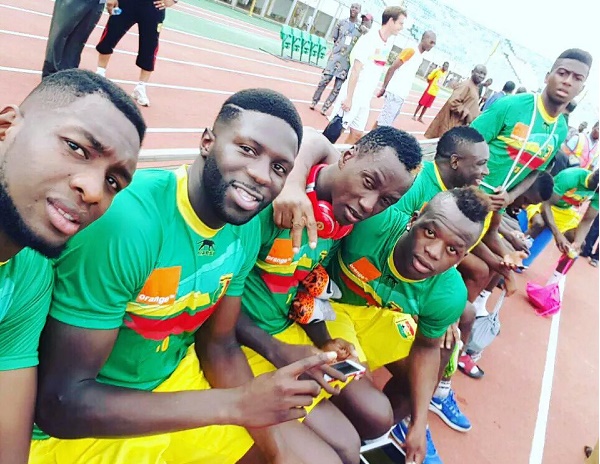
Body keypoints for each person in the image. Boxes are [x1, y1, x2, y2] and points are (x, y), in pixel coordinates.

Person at [30, 89, 344, 464]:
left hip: (172, 379)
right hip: (85, 420)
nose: (261, 175)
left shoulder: (243, 226)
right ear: (207, 142)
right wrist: (237, 404)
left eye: (279, 168)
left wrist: (276, 448)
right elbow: (61, 404)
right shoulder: (131, 224)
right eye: (247, 149)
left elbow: (219, 344)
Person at [237, 127, 422, 462]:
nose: (368, 205)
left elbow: (306, 286)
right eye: (369, 182)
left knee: (352, 444)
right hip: (243, 342)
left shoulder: (340, 222)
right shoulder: (277, 202)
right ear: (347, 157)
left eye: (385, 201)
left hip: (286, 332)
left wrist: (323, 339)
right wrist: (293, 184)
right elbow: (314, 139)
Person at [0, 69, 145, 464]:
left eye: (113, 182)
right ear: (6, 128)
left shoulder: (27, 274)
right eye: (77, 148)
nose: (94, 191)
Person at [326, 188, 491, 464]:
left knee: (442, 349)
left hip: (378, 317)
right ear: (415, 218)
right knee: (372, 412)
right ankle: (341, 423)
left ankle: (388, 428)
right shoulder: (372, 225)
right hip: (330, 312)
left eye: (452, 249)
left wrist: (419, 420)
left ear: (462, 258)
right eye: (430, 232)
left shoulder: (449, 292)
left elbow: (426, 350)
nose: (433, 252)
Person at [328, 6, 407, 144]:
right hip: (353, 94)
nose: (402, 27)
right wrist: (349, 98)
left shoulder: (387, 43)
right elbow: (355, 70)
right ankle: (318, 155)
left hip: (365, 98)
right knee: (335, 131)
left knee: (357, 135)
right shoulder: (370, 39)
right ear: (391, 21)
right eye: (400, 23)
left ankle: (340, 158)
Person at [95, 0, 176, 107]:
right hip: (126, 3)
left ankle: (141, 87)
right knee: (111, 33)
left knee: (149, 46)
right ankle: (100, 73)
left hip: (153, 7)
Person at [526, 168, 599, 257]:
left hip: (564, 211)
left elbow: (587, 220)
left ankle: (560, 267)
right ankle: (519, 249)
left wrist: (577, 243)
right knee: (539, 223)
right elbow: (546, 205)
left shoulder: (598, 193)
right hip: (543, 202)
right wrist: (558, 235)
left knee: (580, 243)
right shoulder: (570, 177)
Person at [375, 31, 437, 128]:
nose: (432, 45)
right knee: (383, 126)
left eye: (434, 44)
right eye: (431, 42)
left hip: (401, 95)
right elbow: (392, 68)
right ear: (423, 39)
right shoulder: (411, 51)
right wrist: (384, 87)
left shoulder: (420, 57)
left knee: (383, 121)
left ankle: (369, 137)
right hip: (395, 92)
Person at [42, 0, 118, 78]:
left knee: (77, 43)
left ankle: (68, 78)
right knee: (60, 36)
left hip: (97, 2)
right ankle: (50, 78)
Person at [310, 4, 363, 115]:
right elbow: (335, 38)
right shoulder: (341, 23)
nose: (353, 9)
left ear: (359, 11)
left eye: (356, 8)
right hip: (335, 57)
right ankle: (314, 101)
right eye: (352, 7)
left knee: (337, 88)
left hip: (346, 62)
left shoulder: (360, 28)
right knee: (324, 81)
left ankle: (325, 107)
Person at [424, 65, 487, 139]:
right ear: (472, 72)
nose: (482, 76)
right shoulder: (466, 85)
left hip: (460, 126)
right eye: (480, 73)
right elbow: (453, 101)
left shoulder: (474, 87)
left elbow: (470, 105)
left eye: (484, 74)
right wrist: (465, 112)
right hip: (452, 124)